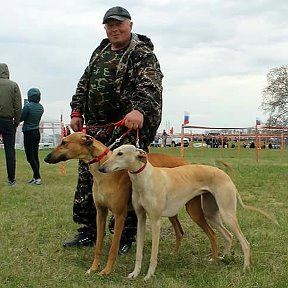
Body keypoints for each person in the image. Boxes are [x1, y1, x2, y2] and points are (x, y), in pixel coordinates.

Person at [65, 6, 163, 255]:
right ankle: (88, 230)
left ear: (130, 24)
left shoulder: (142, 53)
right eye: (109, 25)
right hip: (97, 129)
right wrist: (77, 111)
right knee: (90, 177)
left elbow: (150, 85)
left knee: (127, 180)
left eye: (118, 24)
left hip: (126, 128)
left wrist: (139, 110)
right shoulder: (100, 52)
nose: (114, 29)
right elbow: (83, 83)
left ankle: (126, 234)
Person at [0, 63, 22, 186]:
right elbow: (18, 106)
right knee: (9, 150)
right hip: (8, 121)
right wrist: (17, 121)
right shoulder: (13, 85)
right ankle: (11, 179)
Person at [20, 88, 44, 185]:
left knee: (30, 157)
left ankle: (37, 177)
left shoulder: (27, 106)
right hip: (36, 132)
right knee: (35, 155)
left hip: (28, 133)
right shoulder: (41, 107)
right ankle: (35, 177)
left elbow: (21, 118)